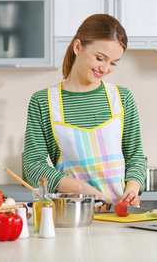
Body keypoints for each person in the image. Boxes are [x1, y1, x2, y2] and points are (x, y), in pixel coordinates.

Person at [23, 14, 146, 209]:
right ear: (78, 47)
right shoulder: (43, 102)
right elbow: (33, 166)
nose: (105, 68)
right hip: (73, 214)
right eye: (100, 58)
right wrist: (81, 189)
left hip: (120, 216)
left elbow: (135, 157)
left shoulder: (122, 98)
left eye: (113, 62)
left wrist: (132, 188)